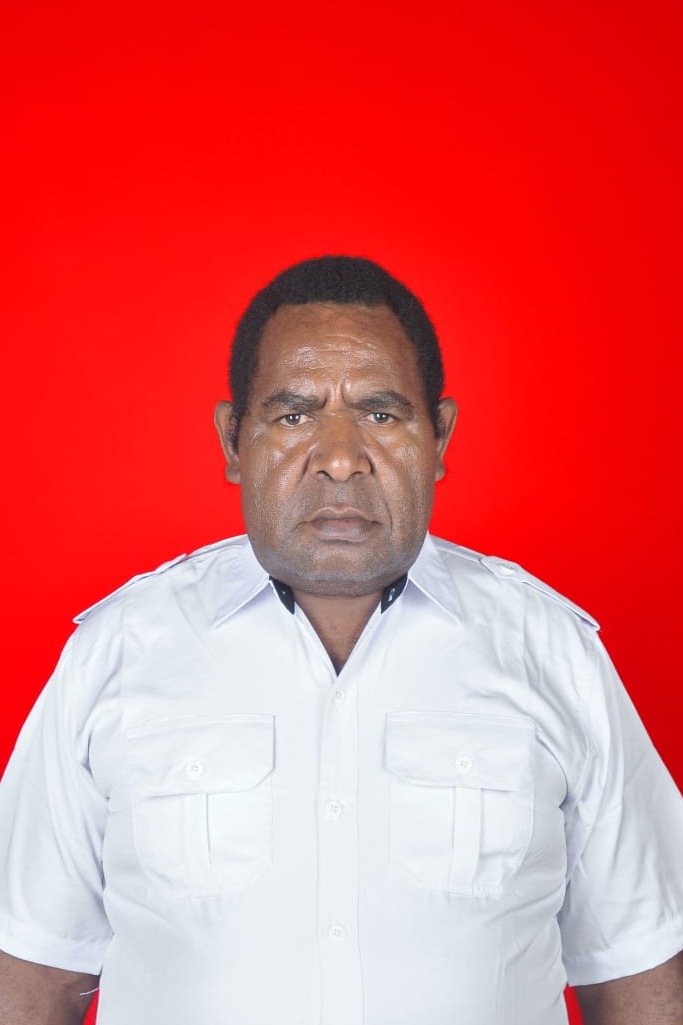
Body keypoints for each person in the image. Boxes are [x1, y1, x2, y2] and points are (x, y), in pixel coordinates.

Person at [0, 255, 682, 1025]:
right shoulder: (119, 652)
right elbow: (30, 978)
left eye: (381, 414)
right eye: (293, 415)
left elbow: (641, 975)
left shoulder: (551, 651)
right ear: (233, 440)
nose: (338, 457)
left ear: (439, 435)